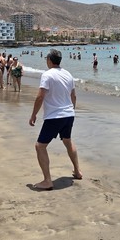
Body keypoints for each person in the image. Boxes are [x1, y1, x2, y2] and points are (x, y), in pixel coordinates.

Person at [29, 49, 82, 190]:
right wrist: (71, 111)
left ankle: (47, 181)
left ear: (49, 60)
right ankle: (77, 171)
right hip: (69, 114)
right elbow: (74, 96)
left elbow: (40, 96)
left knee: (40, 146)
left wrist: (34, 114)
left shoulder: (47, 75)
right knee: (67, 141)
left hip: (55, 116)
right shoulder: (68, 74)